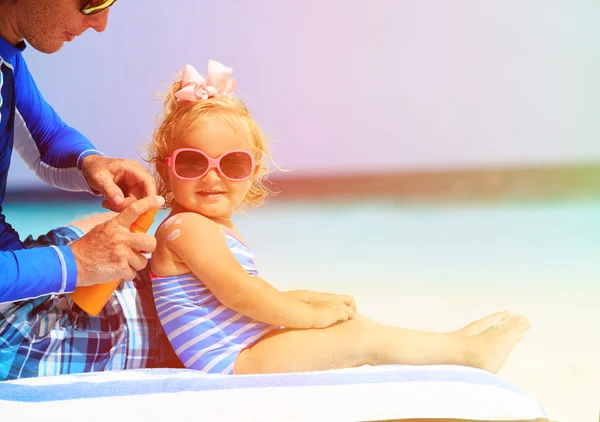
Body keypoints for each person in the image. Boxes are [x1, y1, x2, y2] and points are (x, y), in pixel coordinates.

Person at [148, 61, 531, 376]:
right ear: (166, 171)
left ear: (253, 170)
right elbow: (242, 295)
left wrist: (313, 300)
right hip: (232, 364)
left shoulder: (211, 228)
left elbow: (244, 295)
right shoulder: (189, 229)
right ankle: (469, 355)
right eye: (192, 162)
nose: (212, 176)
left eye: (231, 163)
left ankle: (453, 346)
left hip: (244, 350)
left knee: (353, 329)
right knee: (355, 340)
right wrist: (310, 317)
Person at [0, 0, 175, 380]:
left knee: (129, 249)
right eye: (92, 1)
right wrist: (76, 263)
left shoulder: (6, 55)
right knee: (172, 327)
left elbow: (45, 135)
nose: (101, 23)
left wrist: (92, 164)